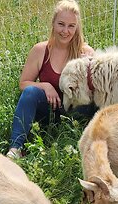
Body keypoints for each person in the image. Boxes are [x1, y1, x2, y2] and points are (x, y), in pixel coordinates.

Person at [6, 0, 97, 159]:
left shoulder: (86, 52)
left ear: (77, 28)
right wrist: (45, 86)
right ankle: (16, 148)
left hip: (76, 114)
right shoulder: (41, 50)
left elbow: (96, 92)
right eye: (61, 24)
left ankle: (98, 146)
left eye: (71, 26)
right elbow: (23, 83)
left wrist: (88, 70)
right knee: (30, 92)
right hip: (47, 112)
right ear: (53, 23)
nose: (65, 31)